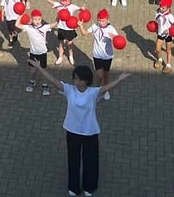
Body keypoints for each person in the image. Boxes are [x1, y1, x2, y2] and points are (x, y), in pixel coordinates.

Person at [30, 62, 129, 197]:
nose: (76, 81)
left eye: (79, 79)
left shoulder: (93, 93)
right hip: (72, 131)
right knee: (73, 159)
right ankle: (74, 187)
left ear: (86, 81)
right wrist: (40, 67)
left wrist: (119, 79)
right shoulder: (69, 90)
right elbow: (52, 80)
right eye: (75, 78)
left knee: (91, 160)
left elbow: (107, 87)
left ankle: (89, 187)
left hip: (90, 131)